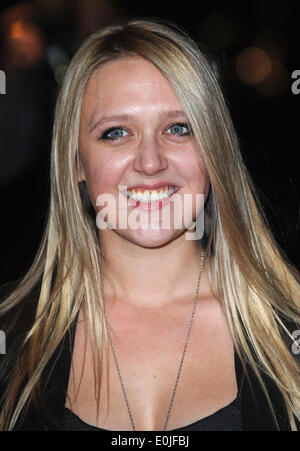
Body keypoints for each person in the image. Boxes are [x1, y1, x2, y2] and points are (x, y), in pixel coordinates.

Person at [0, 18, 300, 432]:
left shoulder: (290, 330)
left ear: (213, 150)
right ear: (75, 164)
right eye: (116, 132)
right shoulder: (12, 337)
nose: (150, 161)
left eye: (178, 128)